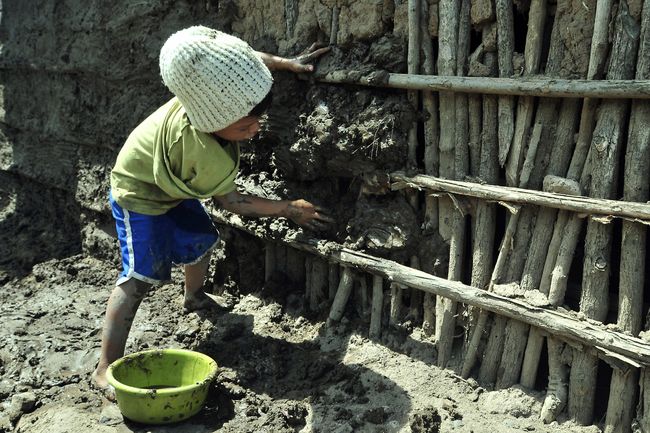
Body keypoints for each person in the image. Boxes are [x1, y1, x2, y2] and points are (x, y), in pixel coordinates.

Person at [91, 26, 333, 394]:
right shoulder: (204, 154)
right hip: (139, 193)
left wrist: (288, 63)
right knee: (140, 276)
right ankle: (105, 366)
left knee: (203, 241)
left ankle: (193, 296)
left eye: (257, 121)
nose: (255, 130)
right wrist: (287, 208)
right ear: (214, 120)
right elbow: (233, 202)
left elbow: (242, 70)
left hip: (171, 182)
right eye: (245, 126)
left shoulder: (205, 92)